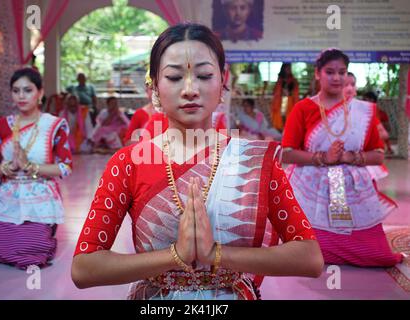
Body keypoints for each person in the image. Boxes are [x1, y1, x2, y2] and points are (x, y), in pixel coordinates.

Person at [71, 23, 323, 300]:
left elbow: (309, 257)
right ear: (154, 85)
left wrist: (215, 254)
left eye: (204, 75)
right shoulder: (128, 163)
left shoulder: (254, 160)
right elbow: (84, 268)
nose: (190, 89)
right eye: (175, 77)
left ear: (223, 81)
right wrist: (175, 256)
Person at [281, 48, 403, 267]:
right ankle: (317, 251)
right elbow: (287, 153)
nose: (337, 77)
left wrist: (349, 156)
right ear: (318, 73)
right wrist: (323, 157)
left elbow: (378, 154)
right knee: (311, 245)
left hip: (348, 185)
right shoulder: (303, 109)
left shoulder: (362, 111)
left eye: (342, 72)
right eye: (330, 71)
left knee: (373, 252)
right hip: (312, 187)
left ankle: (348, 249)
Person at [0, 67, 73, 269]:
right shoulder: (2, 125)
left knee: (30, 253)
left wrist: (31, 166)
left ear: (39, 92)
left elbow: (65, 168)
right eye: (16, 90)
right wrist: (7, 167)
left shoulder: (54, 125)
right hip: (7, 195)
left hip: (40, 197)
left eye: (28, 90)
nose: (21, 96)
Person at [343, 73, 389, 181]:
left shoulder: (364, 112)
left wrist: (361, 141)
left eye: (352, 84)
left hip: (359, 165)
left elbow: (383, 134)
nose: (349, 89)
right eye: (345, 85)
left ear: (356, 89)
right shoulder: (325, 110)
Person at [270, 63, 299, 131]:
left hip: (290, 101)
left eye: (289, 68)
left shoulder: (293, 80)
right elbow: (275, 91)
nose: (289, 69)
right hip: (280, 101)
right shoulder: (280, 80)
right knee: (280, 117)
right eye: (287, 68)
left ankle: (287, 130)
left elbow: (295, 91)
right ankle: (281, 131)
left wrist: (289, 93)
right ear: (284, 69)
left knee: (289, 117)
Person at [363, 91, 394, 155]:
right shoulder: (360, 113)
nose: (365, 101)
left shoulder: (381, 113)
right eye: (364, 99)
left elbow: (386, 130)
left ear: (372, 100)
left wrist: (389, 147)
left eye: (367, 99)